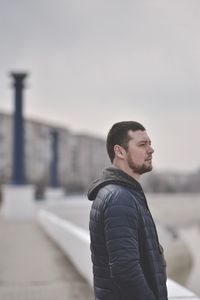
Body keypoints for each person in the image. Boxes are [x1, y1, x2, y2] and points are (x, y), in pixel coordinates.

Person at [87, 121, 168, 300]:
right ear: (120, 151)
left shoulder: (123, 192)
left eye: (150, 143)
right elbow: (126, 270)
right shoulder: (120, 197)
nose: (151, 150)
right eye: (142, 144)